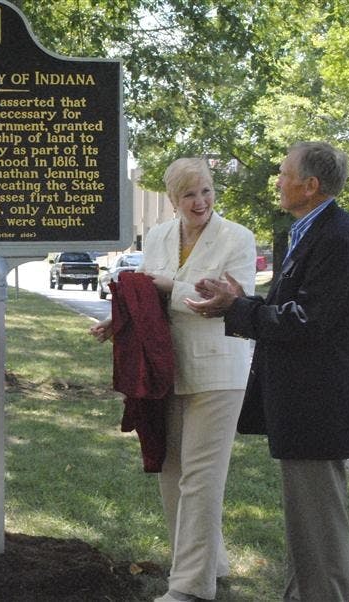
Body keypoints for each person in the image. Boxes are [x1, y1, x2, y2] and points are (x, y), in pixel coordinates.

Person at [186, 142, 349, 601]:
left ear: (310, 186)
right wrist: (240, 304)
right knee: (306, 531)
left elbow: (305, 322)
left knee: (319, 532)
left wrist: (238, 309)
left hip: (319, 408)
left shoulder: (336, 237)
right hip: (304, 407)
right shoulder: (309, 231)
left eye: (285, 173)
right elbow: (292, 308)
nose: (278, 180)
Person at [90, 158, 256, 601]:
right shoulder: (161, 235)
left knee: (201, 478)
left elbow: (228, 303)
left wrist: (170, 286)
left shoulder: (238, 238)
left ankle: (190, 588)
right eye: (189, 194)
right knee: (172, 469)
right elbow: (148, 297)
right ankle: (209, 562)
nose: (200, 202)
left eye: (206, 191)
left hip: (220, 370)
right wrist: (118, 320)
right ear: (172, 200)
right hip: (167, 367)